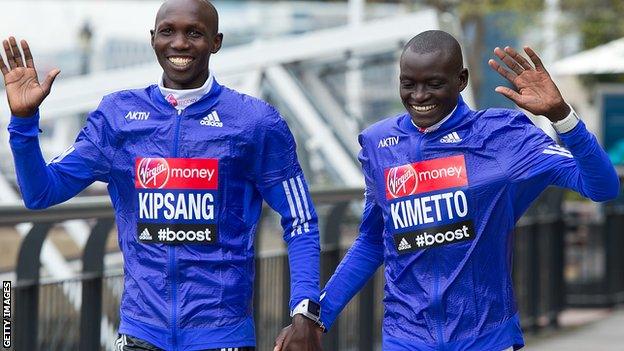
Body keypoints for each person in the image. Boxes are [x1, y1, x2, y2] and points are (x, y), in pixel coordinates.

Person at [1, 0, 324, 350]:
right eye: (168, 31)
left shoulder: (255, 122)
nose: (180, 43)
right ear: (153, 38)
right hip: (140, 333)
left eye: (194, 33)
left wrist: (305, 311)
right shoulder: (117, 116)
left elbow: (301, 220)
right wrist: (23, 121)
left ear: (216, 42)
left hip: (221, 337)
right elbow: (40, 193)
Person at [275, 30, 619, 351]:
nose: (419, 97)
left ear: (462, 80)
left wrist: (563, 117)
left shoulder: (504, 135)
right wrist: (317, 317)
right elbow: (371, 242)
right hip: (405, 337)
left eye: (434, 84)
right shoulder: (379, 143)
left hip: (486, 337)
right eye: (408, 84)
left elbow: (601, 187)